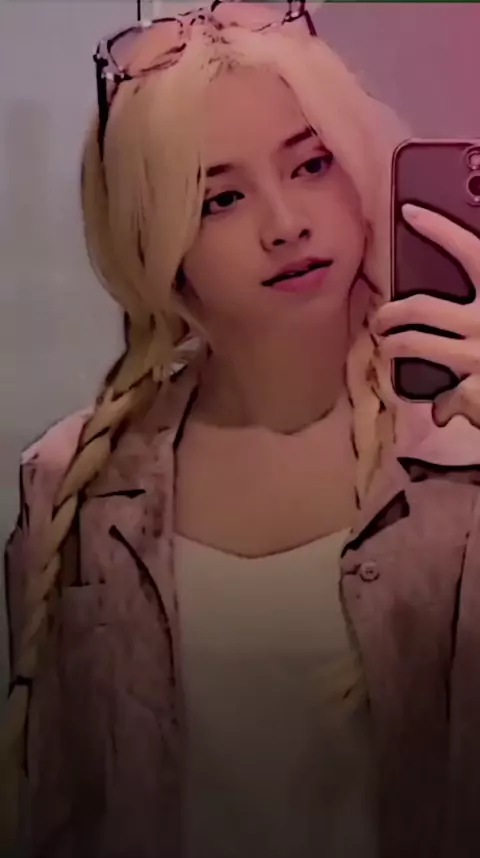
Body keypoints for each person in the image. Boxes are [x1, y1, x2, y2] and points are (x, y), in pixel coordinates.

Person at [3, 2, 480, 857]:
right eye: (220, 197)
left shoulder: (461, 446)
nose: (285, 223)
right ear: (154, 237)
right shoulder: (73, 483)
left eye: (312, 164)